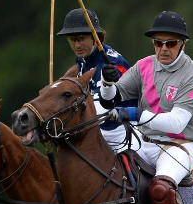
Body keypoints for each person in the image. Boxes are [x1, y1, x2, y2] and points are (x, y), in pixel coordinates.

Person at [98, 11, 193, 204]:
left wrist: (134, 114)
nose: (163, 49)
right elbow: (113, 99)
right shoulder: (144, 66)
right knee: (106, 175)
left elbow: (176, 123)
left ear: (182, 44)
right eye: (158, 43)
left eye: (170, 43)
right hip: (143, 142)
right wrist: (107, 84)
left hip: (179, 145)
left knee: (160, 189)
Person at [55, 8, 138, 153]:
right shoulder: (84, 57)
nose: (77, 45)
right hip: (98, 129)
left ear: (95, 37)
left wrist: (61, 116)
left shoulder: (112, 63)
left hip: (122, 130)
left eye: (81, 38)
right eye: (72, 39)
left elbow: (101, 109)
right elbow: (76, 72)